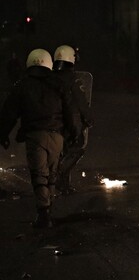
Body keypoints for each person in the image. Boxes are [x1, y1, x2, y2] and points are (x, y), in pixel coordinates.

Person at [0, 49, 77, 228]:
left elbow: (9, 113)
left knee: (39, 175)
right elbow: (70, 111)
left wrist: (3, 134)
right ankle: (49, 210)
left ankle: (44, 213)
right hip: (57, 135)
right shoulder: (59, 84)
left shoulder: (22, 86)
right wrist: (73, 133)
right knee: (51, 174)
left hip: (35, 136)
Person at [53, 45, 93, 194]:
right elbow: (80, 102)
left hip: (52, 121)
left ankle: (62, 184)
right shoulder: (71, 79)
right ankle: (59, 177)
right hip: (67, 123)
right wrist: (89, 119)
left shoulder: (50, 77)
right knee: (78, 148)